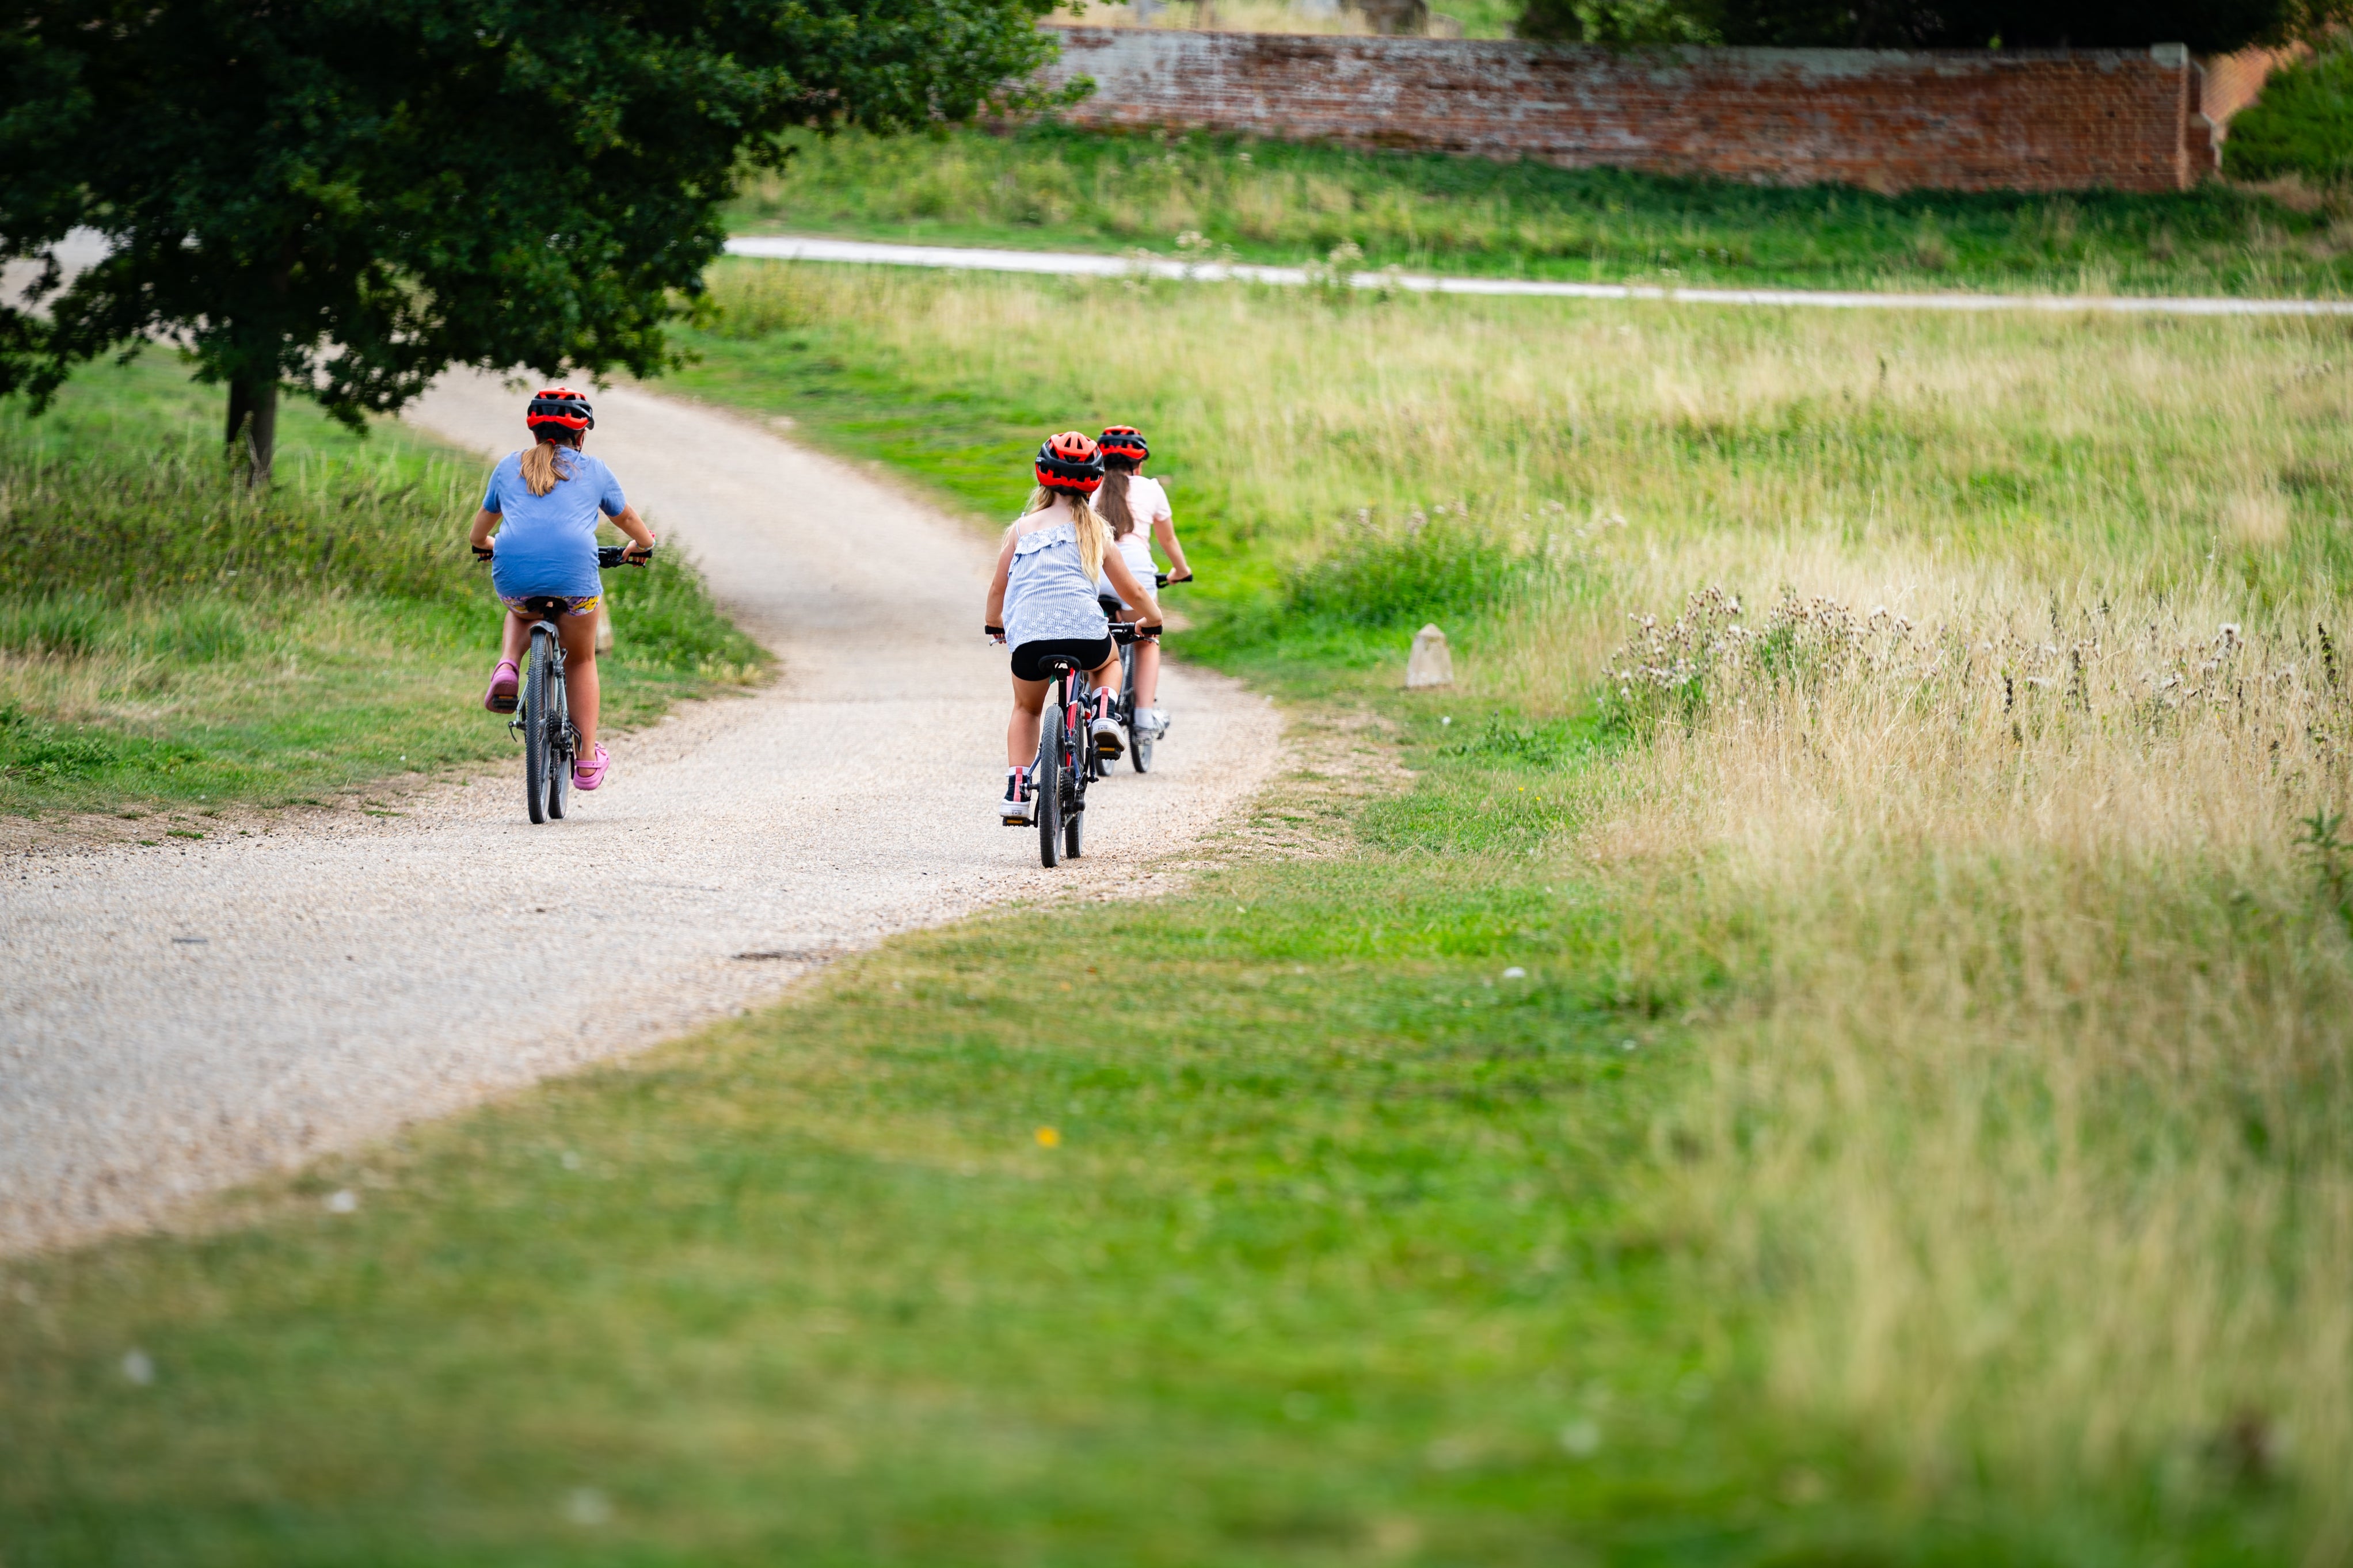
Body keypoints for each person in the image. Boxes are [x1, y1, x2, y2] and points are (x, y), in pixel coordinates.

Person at [467, 387, 656, 792]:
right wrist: (643, 545)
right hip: (576, 579)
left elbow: (479, 531)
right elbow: (629, 521)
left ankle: (507, 664)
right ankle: (586, 761)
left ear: (534, 434)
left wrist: (485, 546)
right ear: (582, 436)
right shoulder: (595, 470)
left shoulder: (507, 467)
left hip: (515, 576)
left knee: (521, 608)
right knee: (582, 661)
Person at [984, 432, 1163, 825]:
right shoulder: (1097, 530)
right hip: (1084, 632)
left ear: (1043, 475)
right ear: (1094, 480)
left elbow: (999, 586)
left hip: (1030, 638)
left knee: (1026, 708)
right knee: (1109, 662)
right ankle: (1102, 713)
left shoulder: (1022, 528)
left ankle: (1016, 792)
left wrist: (995, 624)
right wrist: (1153, 618)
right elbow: (1129, 587)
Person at [1095, 425, 1190, 739]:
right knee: (1147, 638)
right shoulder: (1151, 489)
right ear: (1139, 464)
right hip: (1134, 574)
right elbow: (1169, 539)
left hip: (1095, 574)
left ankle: (1094, 709)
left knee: (1094, 640)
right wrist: (1180, 571)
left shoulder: (1090, 487)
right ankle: (1144, 718)